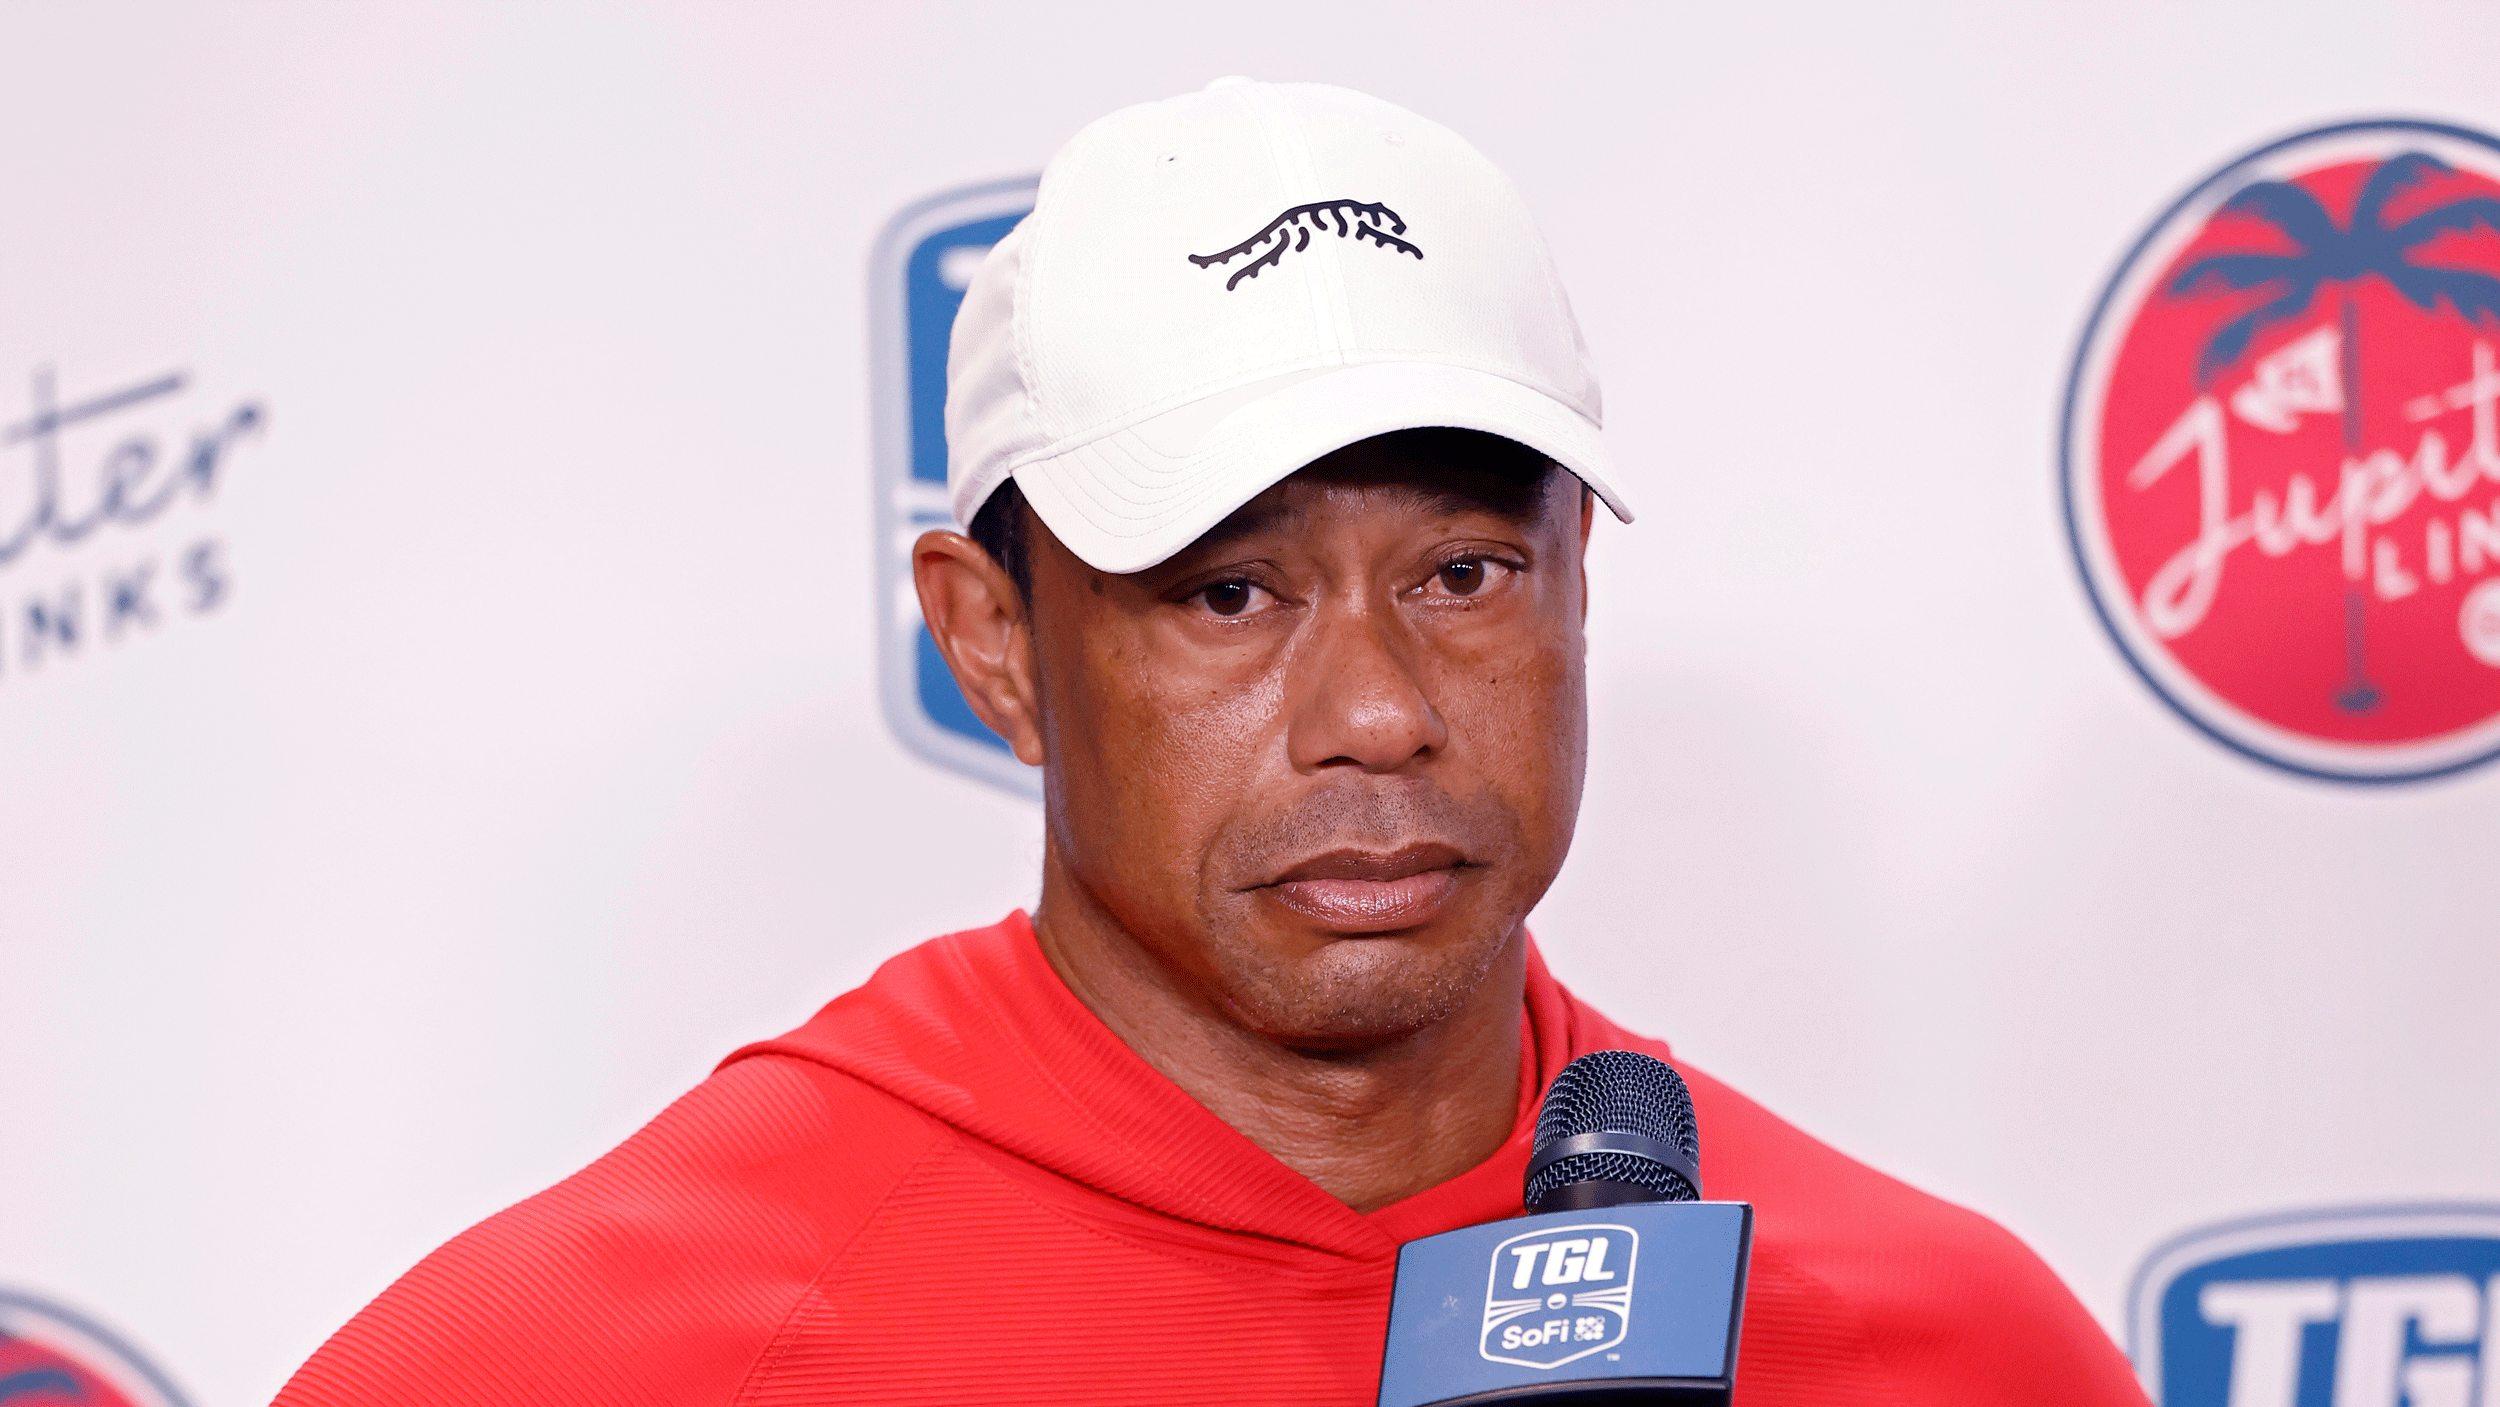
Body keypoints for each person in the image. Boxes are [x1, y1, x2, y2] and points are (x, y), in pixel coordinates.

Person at [274, 80, 2148, 1406]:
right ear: (991, 641)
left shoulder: (1933, 1339)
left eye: (1467, 569)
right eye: (1227, 594)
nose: (1378, 713)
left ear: (1585, 585)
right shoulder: (594, 1356)